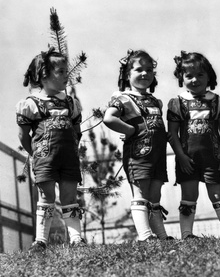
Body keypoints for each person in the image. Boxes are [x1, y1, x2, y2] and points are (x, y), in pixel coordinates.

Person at [16, 47, 86, 252]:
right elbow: (23, 136)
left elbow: (77, 131)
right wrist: (37, 154)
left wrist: (71, 148)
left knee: (70, 197)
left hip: (69, 159)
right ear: (44, 75)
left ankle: (76, 239)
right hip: (44, 159)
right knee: (46, 197)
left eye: (67, 71)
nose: (67, 75)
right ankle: (41, 240)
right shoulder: (31, 104)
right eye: (61, 71)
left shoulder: (71, 103)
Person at [167, 51, 220, 239]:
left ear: (209, 76)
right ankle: (186, 234)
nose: (194, 79)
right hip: (187, 159)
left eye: (200, 74)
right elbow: (172, 134)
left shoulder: (218, 102)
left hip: (213, 158)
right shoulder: (177, 103)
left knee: (217, 194)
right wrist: (181, 156)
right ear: (181, 78)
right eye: (189, 75)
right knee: (189, 196)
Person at [103, 49, 172, 242]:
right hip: (138, 155)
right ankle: (145, 236)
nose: (145, 74)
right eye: (139, 69)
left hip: (158, 155)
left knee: (155, 193)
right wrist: (130, 131)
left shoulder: (154, 101)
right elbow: (109, 118)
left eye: (149, 70)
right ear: (127, 74)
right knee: (140, 191)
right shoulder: (123, 98)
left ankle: (162, 236)